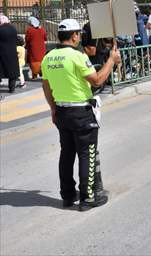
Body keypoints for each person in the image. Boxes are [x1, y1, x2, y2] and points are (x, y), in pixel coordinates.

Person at [41, 18, 121, 211]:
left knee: (66, 154)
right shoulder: (77, 56)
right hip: (81, 111)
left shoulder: (48, 57)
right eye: (79, 34)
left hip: (61, 111)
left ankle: (68, 196)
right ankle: (88, 198)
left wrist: (53, 109)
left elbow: (46, 88)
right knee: (87, 154)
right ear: (75, 35)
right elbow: (97, 80)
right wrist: (111, 61)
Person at [0, 15, 19, 93]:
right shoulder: (13, 29)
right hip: (12, 53)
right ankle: (12, 88)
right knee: (12, 73)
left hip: (1, 53)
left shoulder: (0, 29)